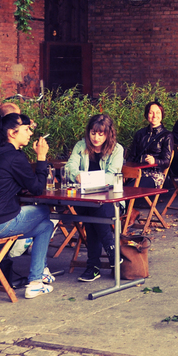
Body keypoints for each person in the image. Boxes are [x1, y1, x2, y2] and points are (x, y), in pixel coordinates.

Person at [0, 112, 56, 299]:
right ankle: (38, 276)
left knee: (46, 226)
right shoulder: (14, 157)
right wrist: (41, 157)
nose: (30, 133)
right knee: (43, 210)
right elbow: (37, 188)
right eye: (26, 129)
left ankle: (36, 281)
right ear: (12, 133)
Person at [65, 114, 124, 282]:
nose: (96, 138)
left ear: (108, 134)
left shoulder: (117, 149)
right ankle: (112, 252)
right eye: (93, 133)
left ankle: (93, 266)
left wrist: (88, 178)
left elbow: (112, 175)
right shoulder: (81, 146)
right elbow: (69, 167)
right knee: (92, 211)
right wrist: (76, 175)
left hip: (111, 201)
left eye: (100, 134)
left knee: (94, 214)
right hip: (85, 199)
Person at [127, 101, 173, 189]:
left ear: (162, 115)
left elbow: (166, 162)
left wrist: (155, 161)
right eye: (151, 113)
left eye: (158, 112)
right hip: (137, 172)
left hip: (155, 174)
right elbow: (132, 156)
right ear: (146, 115)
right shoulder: (140, 134)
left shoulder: (167, 135)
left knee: (131, 188)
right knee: (118, 185)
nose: (155, 116)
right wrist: (127, 171)